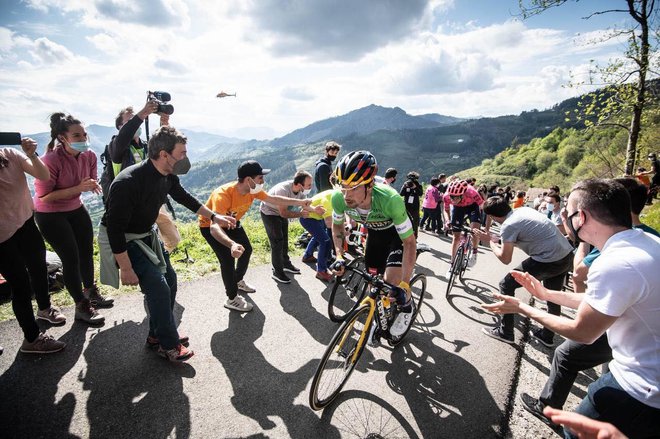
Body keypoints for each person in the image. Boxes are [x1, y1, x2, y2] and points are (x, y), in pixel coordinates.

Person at [482, 179, 660, 438]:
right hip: (647, 377)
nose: (566, 217)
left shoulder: (614, 263)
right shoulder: (642, 241)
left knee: (572, 432)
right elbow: (603, 301)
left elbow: (582, 332)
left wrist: (522, 308)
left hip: (640, 388)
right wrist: (545, 293)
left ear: (582, 218)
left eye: (569, 212)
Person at [100, 125, 235, 362]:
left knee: (170, 281)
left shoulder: (167, 175)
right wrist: (126, 267)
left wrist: (214, 216)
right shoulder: (128, 182)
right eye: (181, 153)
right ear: (164, 154)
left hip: (145, 233)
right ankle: (168, 344)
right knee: (158, 287)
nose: (185, 158)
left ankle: (157, 335)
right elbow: (115, 229)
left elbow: (183, 197)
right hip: (125, 239)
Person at [200, 160, 313, 309]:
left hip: (232, 222)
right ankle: (232, 298)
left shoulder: (252, 191)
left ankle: (237, 280)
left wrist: (301, 202)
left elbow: (275, 199)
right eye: (260, 178)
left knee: (247, 250)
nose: (263, 181)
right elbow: (215, 227)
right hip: (210, 226)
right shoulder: (223, 195)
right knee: (227, 260)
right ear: (249, 180)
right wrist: (232, 244)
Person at [331, 151, 417, 338]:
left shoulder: (390, 199)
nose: (346, 195)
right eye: (343, 187)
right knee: (373, 281)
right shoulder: (339, 198)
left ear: (369, 185)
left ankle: (407, 307)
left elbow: (409, 243)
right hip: (376, 234)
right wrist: (339, 255)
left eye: (353, 188)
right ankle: (377, 316)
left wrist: (405, 284)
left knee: (392, 281)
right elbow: (337, 226)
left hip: (398, 235)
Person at [33, 113, 108, 325]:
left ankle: (90, 292)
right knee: (71, 258)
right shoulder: (50, 161)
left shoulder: (89, 155)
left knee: (86, 251)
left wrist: (91, 185)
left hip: (75, 207)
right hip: (49, 213)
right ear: (62, 138)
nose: (83, 138)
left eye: (84, 134)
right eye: (77, 135)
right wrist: (79, 188)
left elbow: (89, 180)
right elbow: (44, 197)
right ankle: (81, 306)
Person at [474, 196, 573, 346]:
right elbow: (521, 237)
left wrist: (489, 241)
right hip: (565, 255)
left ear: (492, 216)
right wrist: (495, 239)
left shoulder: (508, 225)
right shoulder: (523, 210)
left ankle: (505, 332)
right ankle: (547, 336)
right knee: (553, 296)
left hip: (548, 260)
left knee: (506, 285)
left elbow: (505, 258)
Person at [0, 138, 66, 353]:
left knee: (39, 267)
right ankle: (32, 338)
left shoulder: (9, 154)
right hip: (2, 237)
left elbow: (43, 175)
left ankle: (45, 309)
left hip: (26, 222)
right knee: (20, 285)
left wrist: (31, 154)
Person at [101, 102, 180, 252]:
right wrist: (142, 113)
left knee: (172, 236)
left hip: (151, 199)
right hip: (131, 202)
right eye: (130, 121)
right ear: (120, 127)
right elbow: (123, 138)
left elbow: (163, 154)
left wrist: (164, 125)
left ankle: (160, 255)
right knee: (137, 239)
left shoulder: (145, 146)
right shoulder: (117, 148)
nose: (136, 124)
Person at [260, 170, 323, 284]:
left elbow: (304, 204)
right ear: (299, 185)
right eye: (309, 185)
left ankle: (285, 264)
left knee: (284, 239)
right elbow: (283, 213)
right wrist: (300, 214)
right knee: (277, 242)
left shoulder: (301, 191)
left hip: (281, 213)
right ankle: (277, 272)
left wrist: (315, 210)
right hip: (270, 213)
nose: (311, 187)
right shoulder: (283, 190)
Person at [442, 179, 484, 276]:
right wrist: (447, 221)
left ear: (463, 194)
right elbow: (446, 210)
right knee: (456, 237)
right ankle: (452, 265)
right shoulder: (446, 196)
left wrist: (484, 226)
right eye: (452, 197)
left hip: (472, 207)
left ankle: (474, 252)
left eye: (456, 198)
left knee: (474, 231)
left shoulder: (472, 192)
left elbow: (483, 206)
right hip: (458, 209)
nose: (453, 200)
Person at [300, 190, 334, 281]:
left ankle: (307, 256)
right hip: (308, 218)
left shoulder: (332, 194)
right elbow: (329, 224)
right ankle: (321, 271)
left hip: (315, 218)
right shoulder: (329, 201)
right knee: (325, 241)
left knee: (319, 236)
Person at [399, 171, 423, 238]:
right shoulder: (406, 184)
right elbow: (401, 194)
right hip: (407, 206)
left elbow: (420, 194)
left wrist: (415, 187)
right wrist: (405, 187)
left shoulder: (418, 185)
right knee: (406, 221)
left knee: (415, 222)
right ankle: (405, 236)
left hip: (415, 206)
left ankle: (415, 237)